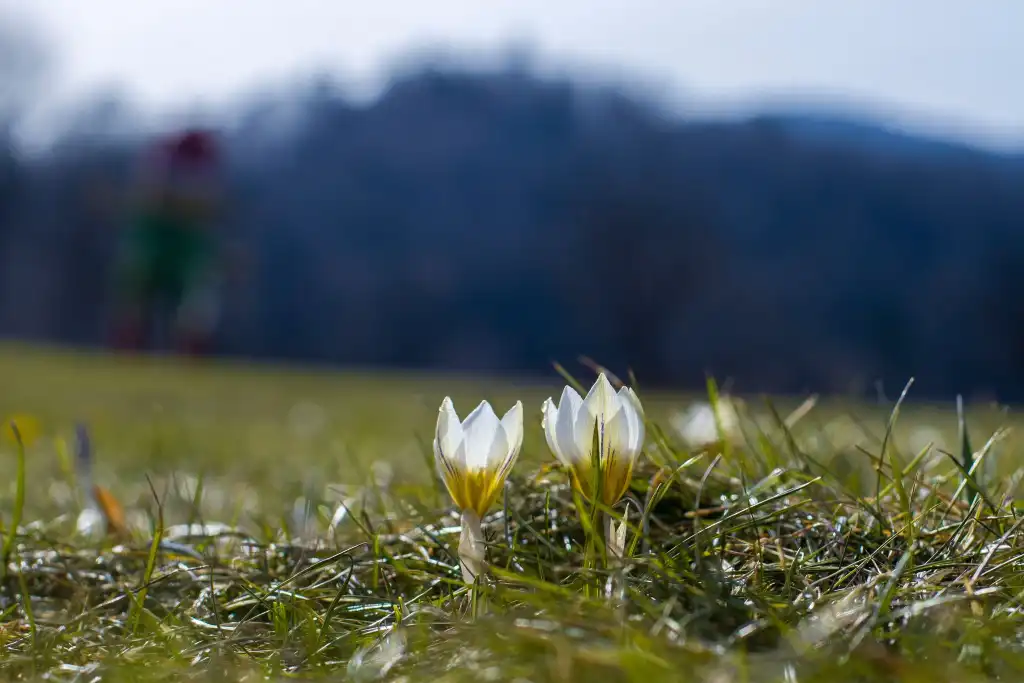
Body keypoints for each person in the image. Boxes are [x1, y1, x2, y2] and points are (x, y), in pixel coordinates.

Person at [110, 129, 225, 356]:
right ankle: (127, 355)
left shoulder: (200, 204)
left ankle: (190, 360)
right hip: (155, 250)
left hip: (187, 254)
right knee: (135, 307)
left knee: (195, 313)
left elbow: (209, 209)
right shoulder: (156, 181)